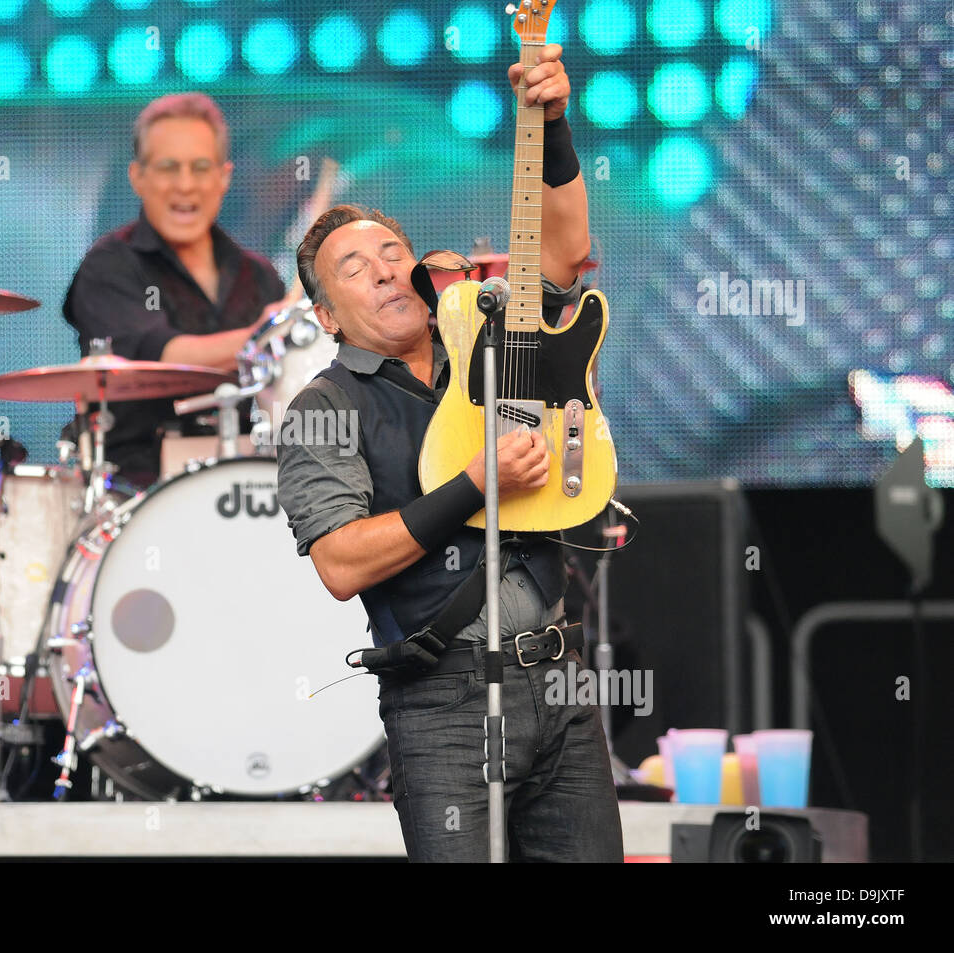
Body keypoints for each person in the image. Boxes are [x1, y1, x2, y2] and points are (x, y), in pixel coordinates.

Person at [277, 47, 623, 862]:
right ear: (327, 316)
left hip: (561, 677)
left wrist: (554, 121)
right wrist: (476, 484)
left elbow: (567, 251)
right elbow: (340, 562)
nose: (385, 272)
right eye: (354, 271)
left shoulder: (493, 331)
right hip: (442, 699)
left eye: (390, 252)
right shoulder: (325, 408)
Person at [62, 93, 287, 484]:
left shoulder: (262, 276)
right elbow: (166, 358)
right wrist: (271, 333)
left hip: (253, 488)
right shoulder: (110, 264)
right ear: (138, 177)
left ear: (224, 177)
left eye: (200, 168)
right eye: (169, 167)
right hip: (138, 496)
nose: (185, 185)